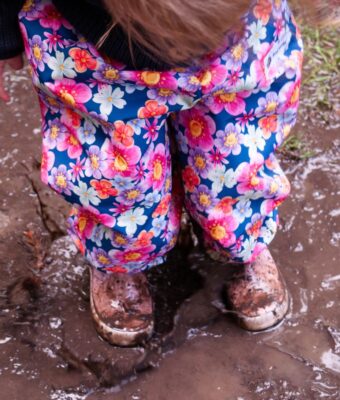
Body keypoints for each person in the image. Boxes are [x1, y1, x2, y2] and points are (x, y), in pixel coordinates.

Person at [0, 0, 305, 347]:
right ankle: (123, 252)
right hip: (93, 52)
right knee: (114, 176)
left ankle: (240, 235)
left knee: (236, 156)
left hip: (235, 40)